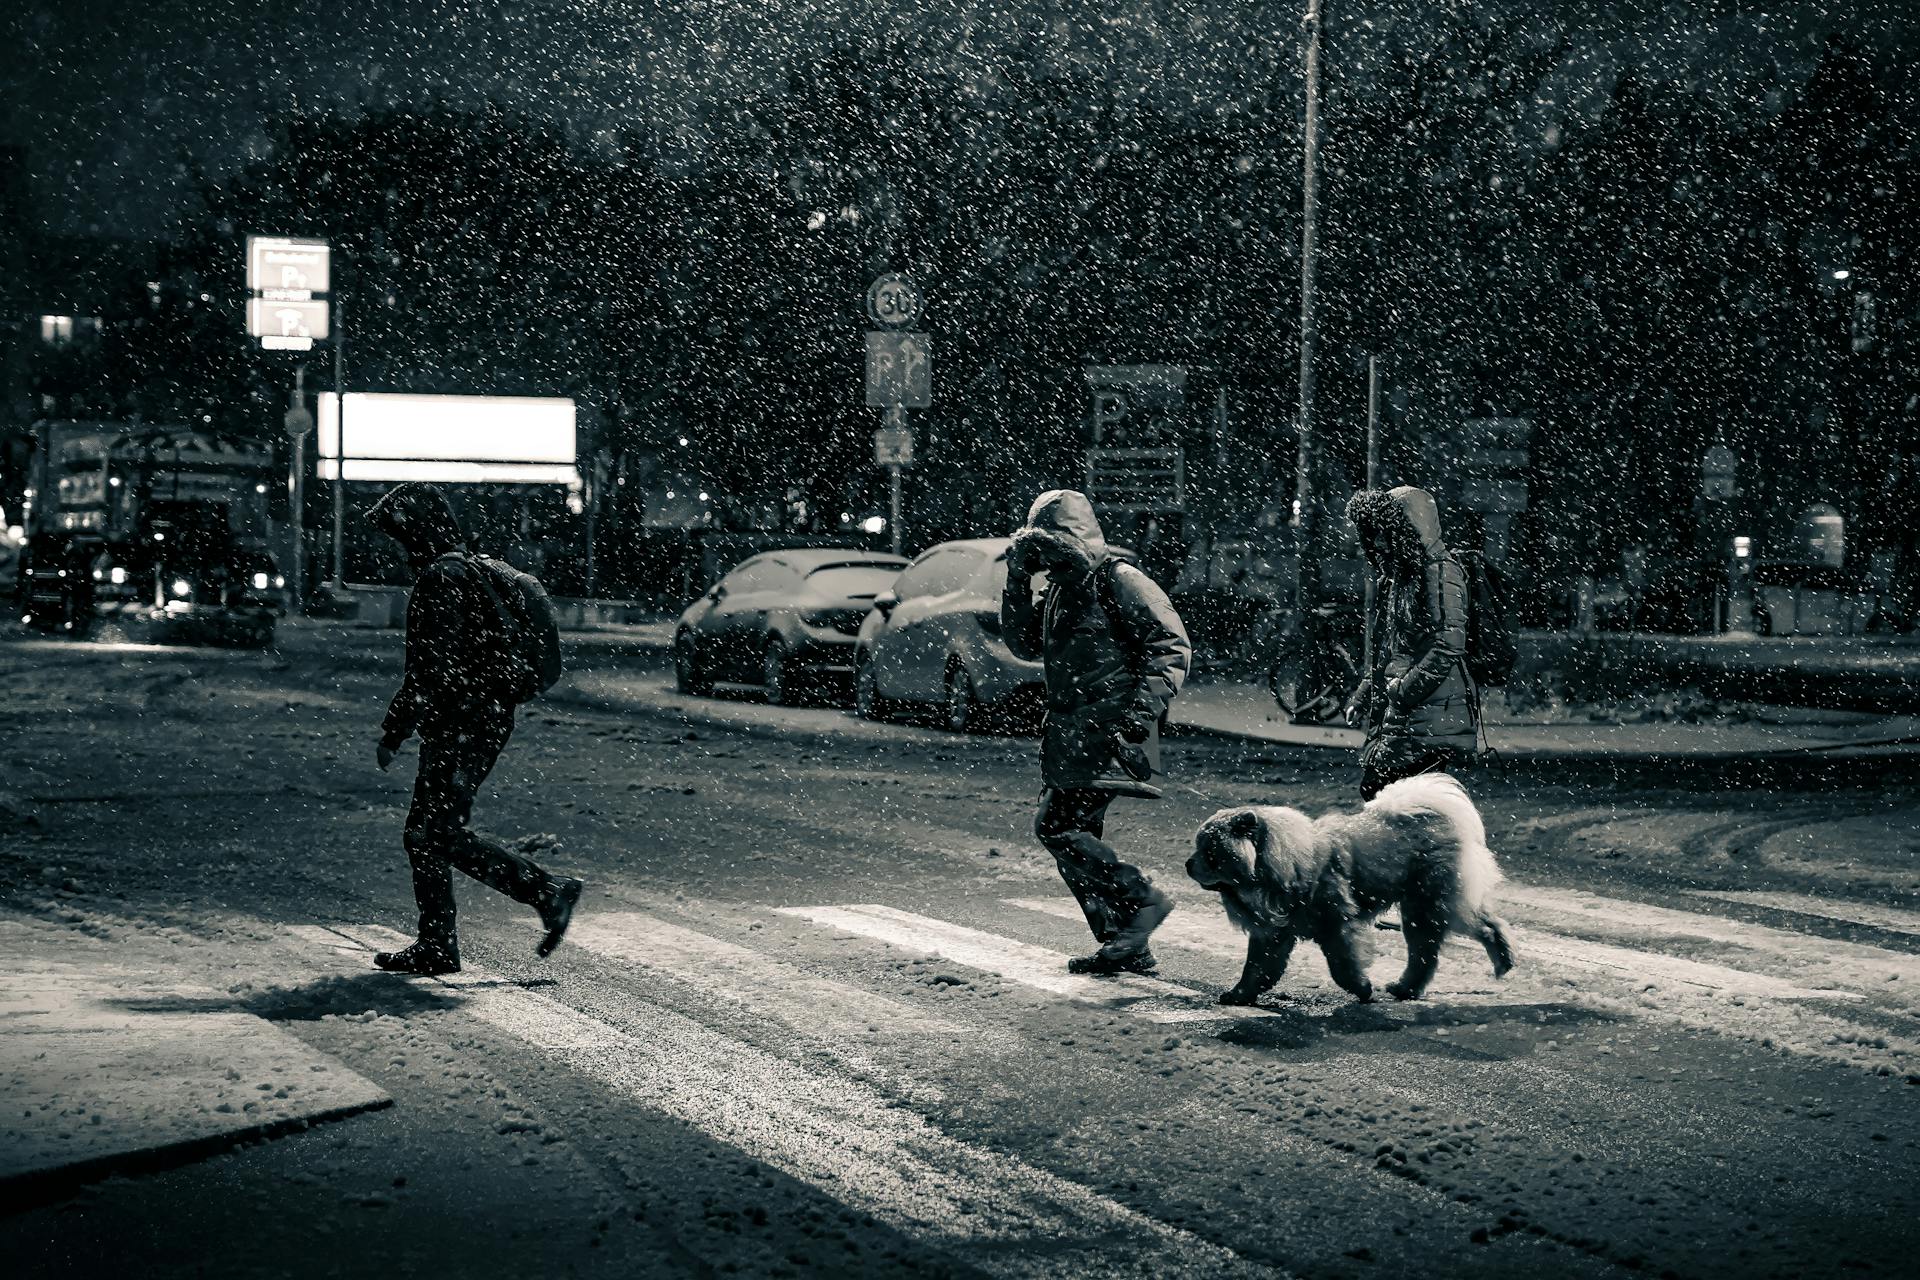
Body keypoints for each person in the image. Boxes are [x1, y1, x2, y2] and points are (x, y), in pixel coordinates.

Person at [365, 482, 582, 975]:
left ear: (415, 532)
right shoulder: (474, 569)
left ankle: (544, 891)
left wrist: (395, 730)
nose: (397, 552)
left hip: (462, 721)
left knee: (431, 831)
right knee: (428, 832)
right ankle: (438, 944)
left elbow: (429, 668)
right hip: (481, 717)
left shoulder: (442, 579)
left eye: (399, 538)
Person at [1002, 490, 1192, 975]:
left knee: (1057, 827)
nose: (1044, 557)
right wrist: (1017, 579)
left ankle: (1142, 901)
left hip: (1110, 730)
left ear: (1071, 539)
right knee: (1077, 838)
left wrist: (1137, 717)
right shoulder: (1060, 589)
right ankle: (1124, 941)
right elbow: (1022, 643)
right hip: (1070, 734)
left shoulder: (1120, 580)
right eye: (1035, 550)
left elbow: (1170, 645)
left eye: (1049, 546)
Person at [1343, 486, 1476, 801]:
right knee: (1391, 799)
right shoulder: (1401, 574)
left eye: (1382, 531)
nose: (1376, 541)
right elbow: (1390, 648)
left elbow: (1448, 645)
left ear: (1406, 528)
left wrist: (1402, 691)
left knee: (1389, 796)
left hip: (1429, 712)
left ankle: (1438, 848)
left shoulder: (1441, 572)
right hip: (1407, 710)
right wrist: (1363, 695)